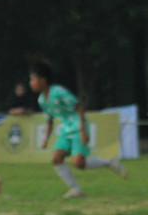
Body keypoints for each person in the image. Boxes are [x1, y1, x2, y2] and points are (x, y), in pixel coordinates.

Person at [29, 61, 126, 198]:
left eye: (33, 79)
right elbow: (49, 119)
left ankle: (109, 162)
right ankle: (76, 189)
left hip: (77, 127)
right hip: (65, 130)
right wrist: (45, 139)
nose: (31, 83)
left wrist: (83, 130)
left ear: (43, 80)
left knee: (79, 163)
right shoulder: (42, 100)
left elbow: (78, 106)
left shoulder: (58, 92)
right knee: (56, 159)